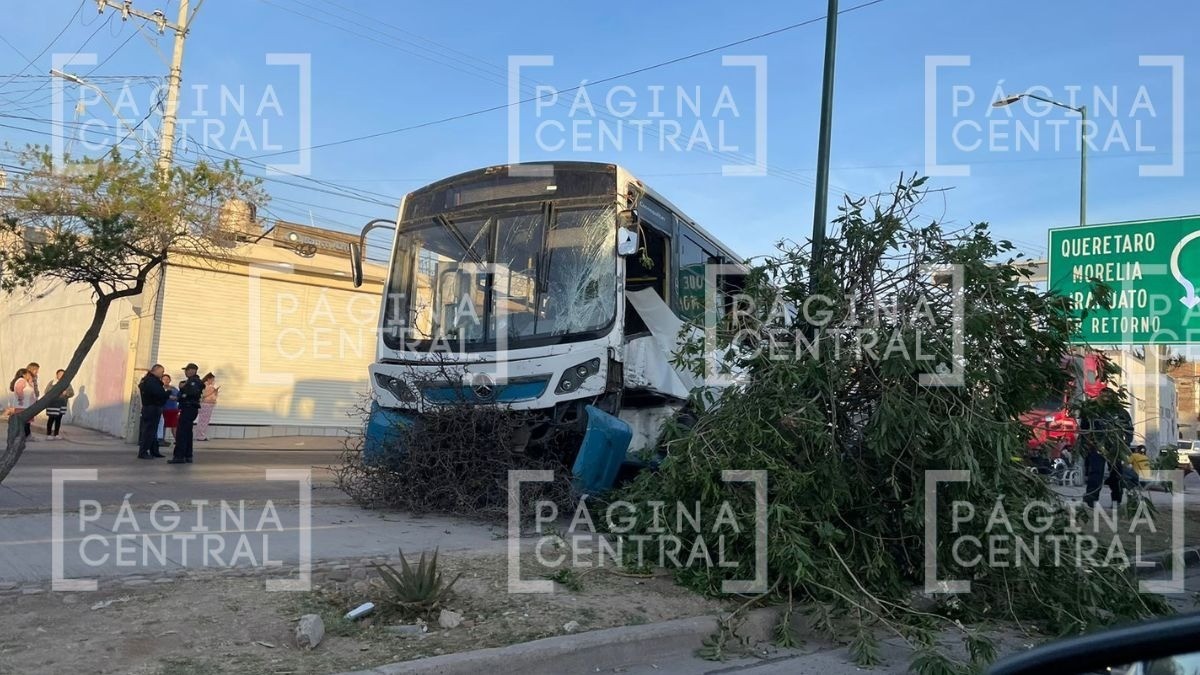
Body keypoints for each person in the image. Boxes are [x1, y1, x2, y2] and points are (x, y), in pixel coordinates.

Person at [1079, 388, 1133, 508]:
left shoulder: (1120, 411)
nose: (1106, 398)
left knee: (1116, 474)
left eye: (1109, 396)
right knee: (1096, 472)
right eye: (1103, 396)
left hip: (1115, 447)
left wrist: (1126, 444)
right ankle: (1091, 499)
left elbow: (1129, 429)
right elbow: (1084, 428)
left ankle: (1116, 499)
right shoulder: (1092, 410)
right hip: (1097, 446)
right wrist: (1086, 442)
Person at [171, 363, 203, 464]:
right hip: (189, 408)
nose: (185, 372)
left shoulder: (193, 382)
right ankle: (188, 455)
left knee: (182, 433)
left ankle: (179, 456)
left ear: (192, 371)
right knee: (188, 432)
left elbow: (190, 393)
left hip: (188, 408)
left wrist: (182, 389)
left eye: (187, 370)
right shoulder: (191, 381)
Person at [137, 365, 168, 460]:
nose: (162, 374)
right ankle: (143, 452)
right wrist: (167, 393)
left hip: (151, 407)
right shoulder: (151, 381)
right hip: (152, 407)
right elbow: (158, 393)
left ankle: (154, 450)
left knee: (153, 431)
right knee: (149, 431)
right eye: (161, 371)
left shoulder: (148, 380)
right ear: (156, 370)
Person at [45, 369, 74, 439]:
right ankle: (48, 434)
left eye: (63, 374)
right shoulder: (52, 383)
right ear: (57, 375)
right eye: (60, 374)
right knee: (51, 419)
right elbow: (46, 391)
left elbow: (72, 393)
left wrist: (66, 393)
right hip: (53, 405)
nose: (61, 376)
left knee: (58, 419)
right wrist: (54, 393)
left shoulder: (67, 383)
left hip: (61, 404)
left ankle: (56, 434)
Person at [8, 368, 33, 439]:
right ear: (24, 375)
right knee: (24, 421)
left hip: (25, 405)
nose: (30, 376)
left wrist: (30, 382)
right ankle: (23, 436)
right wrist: (21, 398)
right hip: (22, 406)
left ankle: (26, 435)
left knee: (26, 421)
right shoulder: (21, 381)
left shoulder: (24, 381)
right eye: (28, 374)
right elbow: (19, 390)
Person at [195, 372, 219, 441]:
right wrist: (214, 391)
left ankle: (201, 435)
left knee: (204, 420)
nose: (213, 381)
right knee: (203, 420)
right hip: (206, 404)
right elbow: (204, 395)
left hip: (208, 404)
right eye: (212, 380)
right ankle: (200, 435)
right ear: (208, 379)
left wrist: (215, 392)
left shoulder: (207, 386)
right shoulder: (207, 386)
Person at [159, 374, 179, 447]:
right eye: (164, 379)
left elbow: (178, 397)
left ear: (170, 380)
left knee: (174, 426)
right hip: (163, 410)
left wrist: (170, 397)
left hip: (173, 410)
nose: (166, 381)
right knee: (162, 426)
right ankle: (161, 440)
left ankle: (178, 441)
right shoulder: (160, 388)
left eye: (167, 379)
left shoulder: (174, 389)